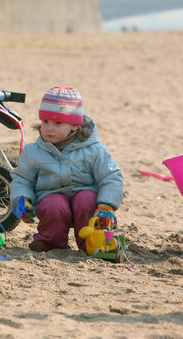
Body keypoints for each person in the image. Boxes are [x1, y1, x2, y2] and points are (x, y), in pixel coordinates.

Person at [10, 86, 124, 253]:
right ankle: (51, 242)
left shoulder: (94, 150)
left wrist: (106, 205)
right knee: (54, 204)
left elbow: (111, 176)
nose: (49, 128)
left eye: (57, 122)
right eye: (45, 122)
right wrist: (22, 201)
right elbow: (22, 179)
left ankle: (92, 243)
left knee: (86, 199)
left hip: (85, 202)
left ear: (74, 126)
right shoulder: (34, 151)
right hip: (51, 201)